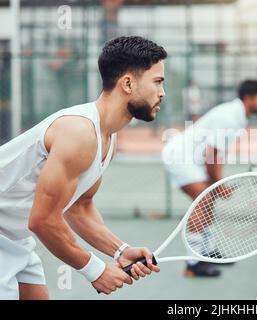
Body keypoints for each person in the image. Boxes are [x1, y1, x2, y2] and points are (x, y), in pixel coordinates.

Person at [0, 36, 166, 299]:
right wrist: (96, 270)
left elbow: (79, 206)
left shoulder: (105, 138)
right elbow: (42, 220)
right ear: (127, 83)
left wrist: (120, 250)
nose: (162, 92)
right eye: (157, 82)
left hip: (12, 237)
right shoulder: (79, 132)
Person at [162, 80, 257, 277]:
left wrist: (217, 183)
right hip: (180, 156)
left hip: (193, 159)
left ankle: (208, 252)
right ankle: (193, 264)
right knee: (202, 200)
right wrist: (219, 186)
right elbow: (212, 154)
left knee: (208, 198)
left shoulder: (237, 116)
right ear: (249, 98)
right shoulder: (229, 117)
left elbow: (216, 154)